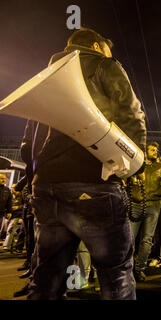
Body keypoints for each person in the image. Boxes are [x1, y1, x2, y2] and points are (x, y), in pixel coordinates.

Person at [26, 28, 146, 300]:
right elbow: (132, 115)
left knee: (46, 278)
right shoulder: (105, 65)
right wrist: (135, 167)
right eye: (108, 49)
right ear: (97, 45)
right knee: (116, 274)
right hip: (94, 182)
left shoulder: (43, 77)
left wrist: (35, 178)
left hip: (46, 186)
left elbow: (29, 141)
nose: (110, 55)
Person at [127, 142, 161, 282]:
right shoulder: (137, 165)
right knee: (130, 239)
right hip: (136, 204)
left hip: (154, 205)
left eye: (156, 150)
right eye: (152, 150)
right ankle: (127, 268)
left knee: (147, 240)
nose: (155, 151)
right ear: (145, 151)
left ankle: (139, 268)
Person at [0, 174, 12, 241]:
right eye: (1, 178)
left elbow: (9, 201)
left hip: (1, 213)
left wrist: (9, 211)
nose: (3, 180)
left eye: (4, 179)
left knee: (1, 230)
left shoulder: (6, 189)